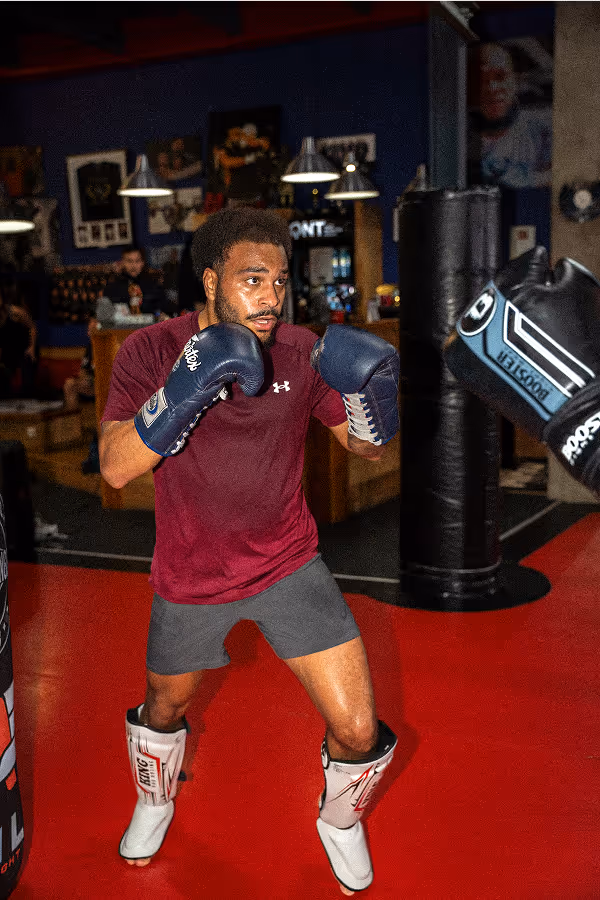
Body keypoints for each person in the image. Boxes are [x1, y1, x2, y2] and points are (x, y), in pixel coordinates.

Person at [99, 208, 400, 894]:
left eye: (280, 280)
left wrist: (373, 401)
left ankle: (340, 821)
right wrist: (181, 392)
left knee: (358, 730)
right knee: (163, 710)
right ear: (211, 281)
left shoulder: (300, 349)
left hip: (288, 562)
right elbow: (116, 467)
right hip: (190, 570)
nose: (271, 296)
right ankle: (155, 797)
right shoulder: (150, 350)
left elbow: (365, 445)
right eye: (252, 279)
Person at [468, 42, 552, 189]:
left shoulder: (544, 130)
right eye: (482, 81)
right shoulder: (458, 141)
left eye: (500, 76)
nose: (492, 88)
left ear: (515, 80)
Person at [102, 246, 173, 318]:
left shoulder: (153, 285)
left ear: (142, 262)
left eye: (137, 261)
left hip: (150, 326)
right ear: (123, 262)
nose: (133, 266)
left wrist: (158, 315)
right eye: (129, 261)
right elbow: (105, 313)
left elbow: (165, 309)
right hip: (121, 328)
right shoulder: (112, 287)